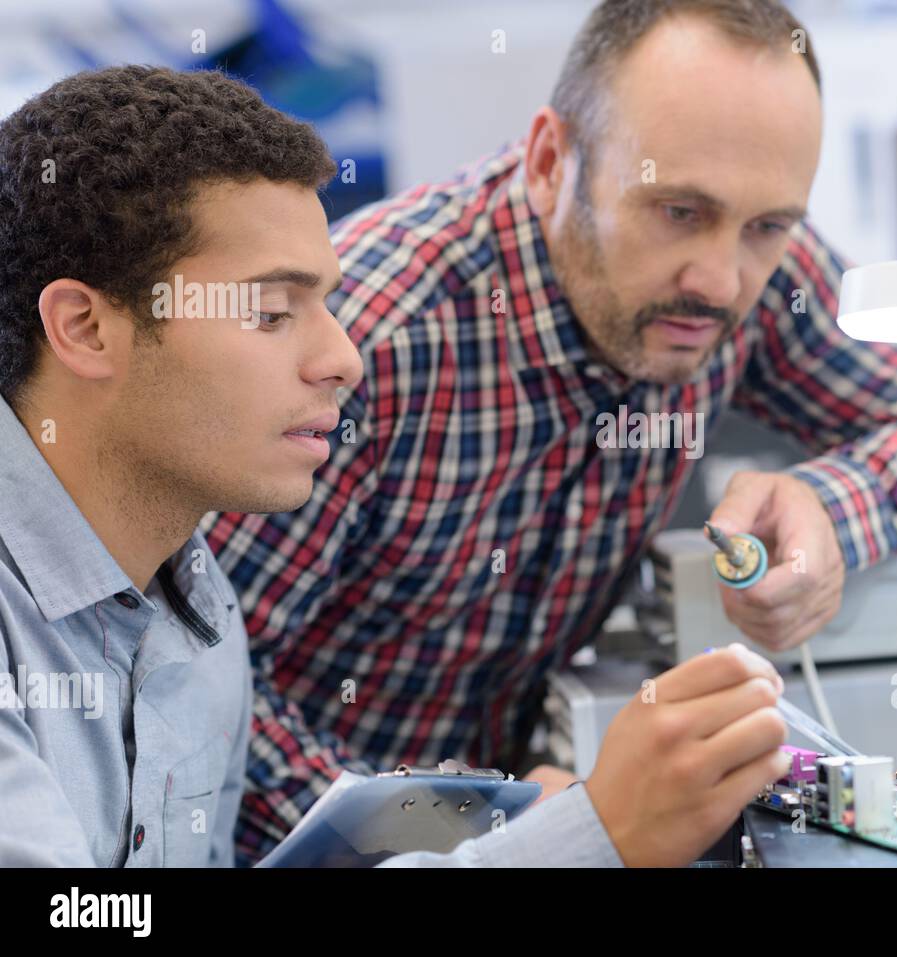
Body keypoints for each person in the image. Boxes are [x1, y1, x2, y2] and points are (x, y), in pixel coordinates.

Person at [205, 0, 897, 865]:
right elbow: (200, 702)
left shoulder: (739, 274)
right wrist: (484, 832)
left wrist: (831, 506)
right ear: (549, 163)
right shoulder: (372, 340)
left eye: (768, 226)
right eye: (678, 211)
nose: (722, 282)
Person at [0, 64, 786, 868]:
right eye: (270, 312)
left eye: (326, 305)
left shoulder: (201, 610)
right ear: (86, 328)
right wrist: (592, 837)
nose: (344, 358)